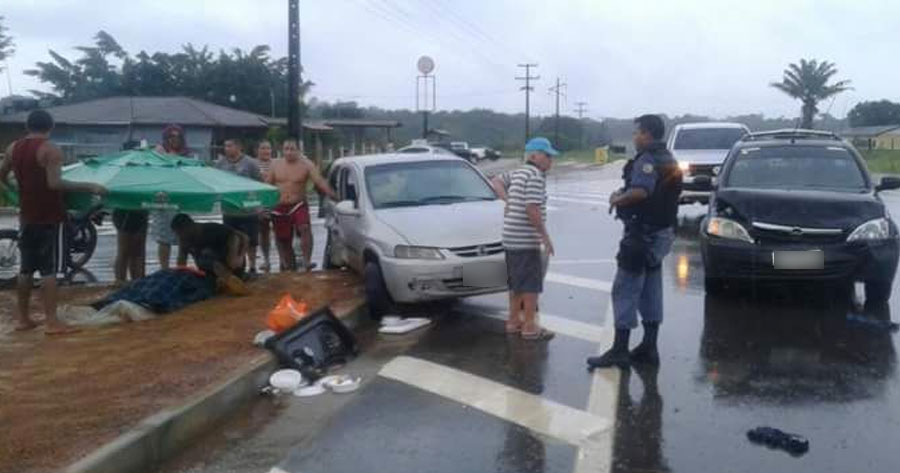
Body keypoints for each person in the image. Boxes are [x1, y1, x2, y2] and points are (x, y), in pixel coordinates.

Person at [588, 114, 682, 369]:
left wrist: (617, 199)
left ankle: (619, 350)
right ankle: (649, 347)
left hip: (643, 234)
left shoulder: (648, 160)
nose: (634, 137)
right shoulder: (669, 158)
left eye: (636, 132)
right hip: (663, 232)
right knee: (651, 288)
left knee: (625, 288)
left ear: (647, 133)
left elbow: (641, 191)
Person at [0, 110, 106, 335]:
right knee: (50, 271)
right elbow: (55, 183)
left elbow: (1, 175)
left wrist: (14, 192)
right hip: (50, 217)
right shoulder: (50, 150)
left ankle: (23, 319)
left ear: (28, 126)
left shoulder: (13, 148)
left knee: (26, 268)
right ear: (51, 126)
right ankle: (51, 322)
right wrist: (89, 186)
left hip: (26, 217)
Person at [490, 137, 557, 341]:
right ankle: (529, 326)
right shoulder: (535, 176)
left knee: (516, 282)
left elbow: (495, 182)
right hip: (525, 239)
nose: (550, 161)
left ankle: (513, 322)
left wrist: (507, 200)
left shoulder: (518, 172)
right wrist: (545, 237)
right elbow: (532, 208)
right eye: (548, 156)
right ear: (535, 156)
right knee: (530, 285)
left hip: (510, 237)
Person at [267, 139, 337, 271]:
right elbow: (267, 186)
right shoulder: (275, 165)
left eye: (292, 149)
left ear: (298, 151)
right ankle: (287, 263)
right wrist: (262, 206)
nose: (289, 152)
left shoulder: (307, 165)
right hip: (279, 205)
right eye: (286, 149)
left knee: (304, 227)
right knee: (283, 239)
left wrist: (335, 196)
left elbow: (320, 182)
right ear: (282, 150)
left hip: (298, 204)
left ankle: (307, 261)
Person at [214, 138, 263, 273]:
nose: (227, 148)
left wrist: (260, 206)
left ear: (239, 146)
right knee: (231, 241)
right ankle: (235, 267)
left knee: (251, 241)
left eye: (230, 145)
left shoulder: (251, 163)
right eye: (225, 146)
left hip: (248, 209)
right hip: (229, 210)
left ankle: (252, 266)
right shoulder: (220, 164)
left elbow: (260, 183)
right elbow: (215, 183)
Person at [170, 213, 249, 285]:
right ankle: (221, 280)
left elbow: (243, 237)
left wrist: (237, 256)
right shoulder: (183, 240)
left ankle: (230, 279)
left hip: (231, 264)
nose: (179, 236)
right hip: (208, 270)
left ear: (190, 227)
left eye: (180, 232)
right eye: (177, 234)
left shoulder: (211, 229)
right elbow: (181, 262)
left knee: (206, 255)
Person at [153, 124, 191, 270]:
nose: (174, 139)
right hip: (164, 198)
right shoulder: (158, 152)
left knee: (184, 237)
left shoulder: (186, 154)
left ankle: (181, 268)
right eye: (171, 137)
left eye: (177, 136)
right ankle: (164, 269)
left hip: (182, 199)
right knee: (164, 238)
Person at [112, 209, 148, 285]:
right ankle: (120, 282)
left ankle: (138, 282)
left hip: (140, 211)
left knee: (138, 251)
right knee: (125, 251)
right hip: (125, 211)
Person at [255, 140, 275, 272]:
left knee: (281, 232)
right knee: (263, 232)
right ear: (257, 150)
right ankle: (266, 260)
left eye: (268, 148)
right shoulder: (253, 164)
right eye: (263, 148)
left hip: (276, 201)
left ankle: (286, 260)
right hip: (260, 202)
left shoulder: (277, 163)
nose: (266, 151)